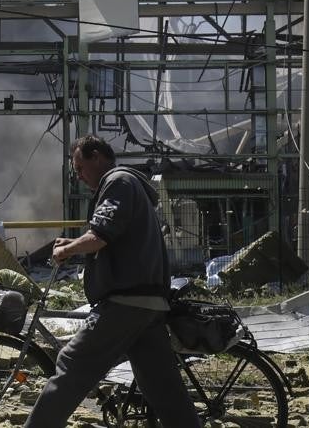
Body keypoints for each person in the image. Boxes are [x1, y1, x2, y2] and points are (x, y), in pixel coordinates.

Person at [24, 135, 200, 428]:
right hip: (150, 303)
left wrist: (65, 250)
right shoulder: (131, 186)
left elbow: (99, 237)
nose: (79, 176)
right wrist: (74, 241)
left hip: (125, 304)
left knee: (71, 364)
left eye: (80, 167)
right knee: (162, 386)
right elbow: (108, 237)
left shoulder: (118, 182)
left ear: (97, 158)